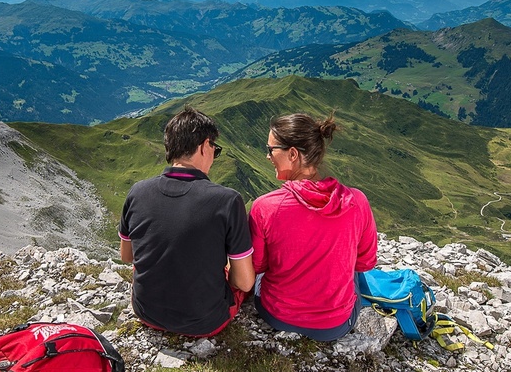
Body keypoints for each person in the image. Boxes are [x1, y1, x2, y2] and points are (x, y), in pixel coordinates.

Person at [118, 106, 255, 337]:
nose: (214, 156)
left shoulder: (137, 192)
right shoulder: (228, 200)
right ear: (204, 146)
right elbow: (244, 282)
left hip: (146, 312)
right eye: (215, 149)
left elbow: (127, 256)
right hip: (205, 322)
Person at [249, 113, 378, 341]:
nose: (267, 156)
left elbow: (257, 265)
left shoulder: (265, 207)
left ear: (292, 154)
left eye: (270, 149)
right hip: (335, 325)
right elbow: (365, 262)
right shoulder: (357, 201)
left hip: (277, 315)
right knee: (353, 274)